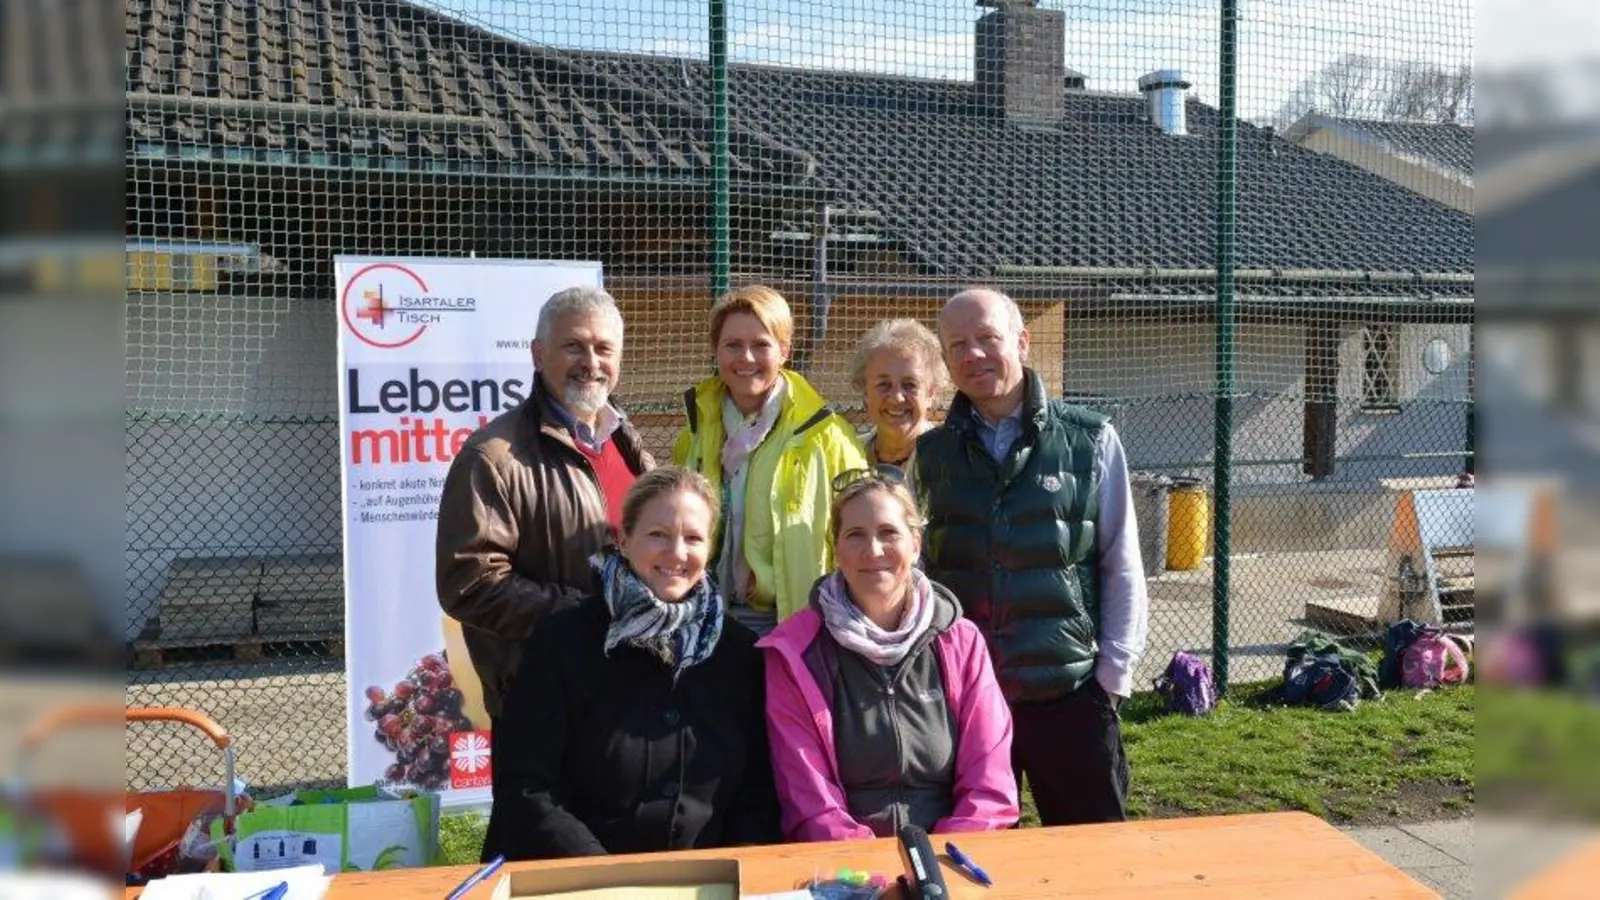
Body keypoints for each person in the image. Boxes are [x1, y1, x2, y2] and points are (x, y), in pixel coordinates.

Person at [914, 287, 1149, 827]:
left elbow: (1123, 564)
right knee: (979, 862)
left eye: (987, 338)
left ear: (1021, 342)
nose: (973, 355)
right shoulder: (930, 456)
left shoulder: (1090, 440)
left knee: (1094, 863)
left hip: (1070, 696)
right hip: (967, 704)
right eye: (957, 345)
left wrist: (1111, 679)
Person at [435, 286, 653, 852]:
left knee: (611, 854)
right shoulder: (494, 456)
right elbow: (470, 583)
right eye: (573, 346)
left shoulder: (628, 445)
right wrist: (586, 616)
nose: (591, 362)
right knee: (540, 852)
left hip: (623, 692)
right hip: (540, 699)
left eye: (604, 348)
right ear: (537, 354)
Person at [486, 467, 781, 860]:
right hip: (578, 879)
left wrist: (736, 871)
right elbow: (526, 788)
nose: (677, 553)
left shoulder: (738, 652)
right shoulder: (562, 641)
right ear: (623, 540)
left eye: (693, 538)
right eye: (658, 534)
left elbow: (757, 793)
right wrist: (609, 881)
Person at [760, 468, 1018, 841]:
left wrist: (939, 863)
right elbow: (809, 801)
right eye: (855, 536)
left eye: (888, 533)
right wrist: (872, 873)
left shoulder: (961, 642)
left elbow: (989, 785)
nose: (873, 550)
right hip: (845, 866)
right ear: (836, 550)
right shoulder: (794, 653)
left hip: (953, 855)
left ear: (915, 544)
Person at [673, 285, 868, 635]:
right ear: (715, 351)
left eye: (761, 344)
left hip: (794, 619)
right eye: (732, 345)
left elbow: (862, 533)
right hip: (706, 615)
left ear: (784, 351)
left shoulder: (827, 434)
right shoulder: (697, 429)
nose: (745, 358)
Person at [850, 318, 946, 479]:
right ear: (865, 391)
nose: (896, 398)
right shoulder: (848, 455)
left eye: (910, 384)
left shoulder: (949, 458)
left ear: (930, 393)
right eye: (883, 384)